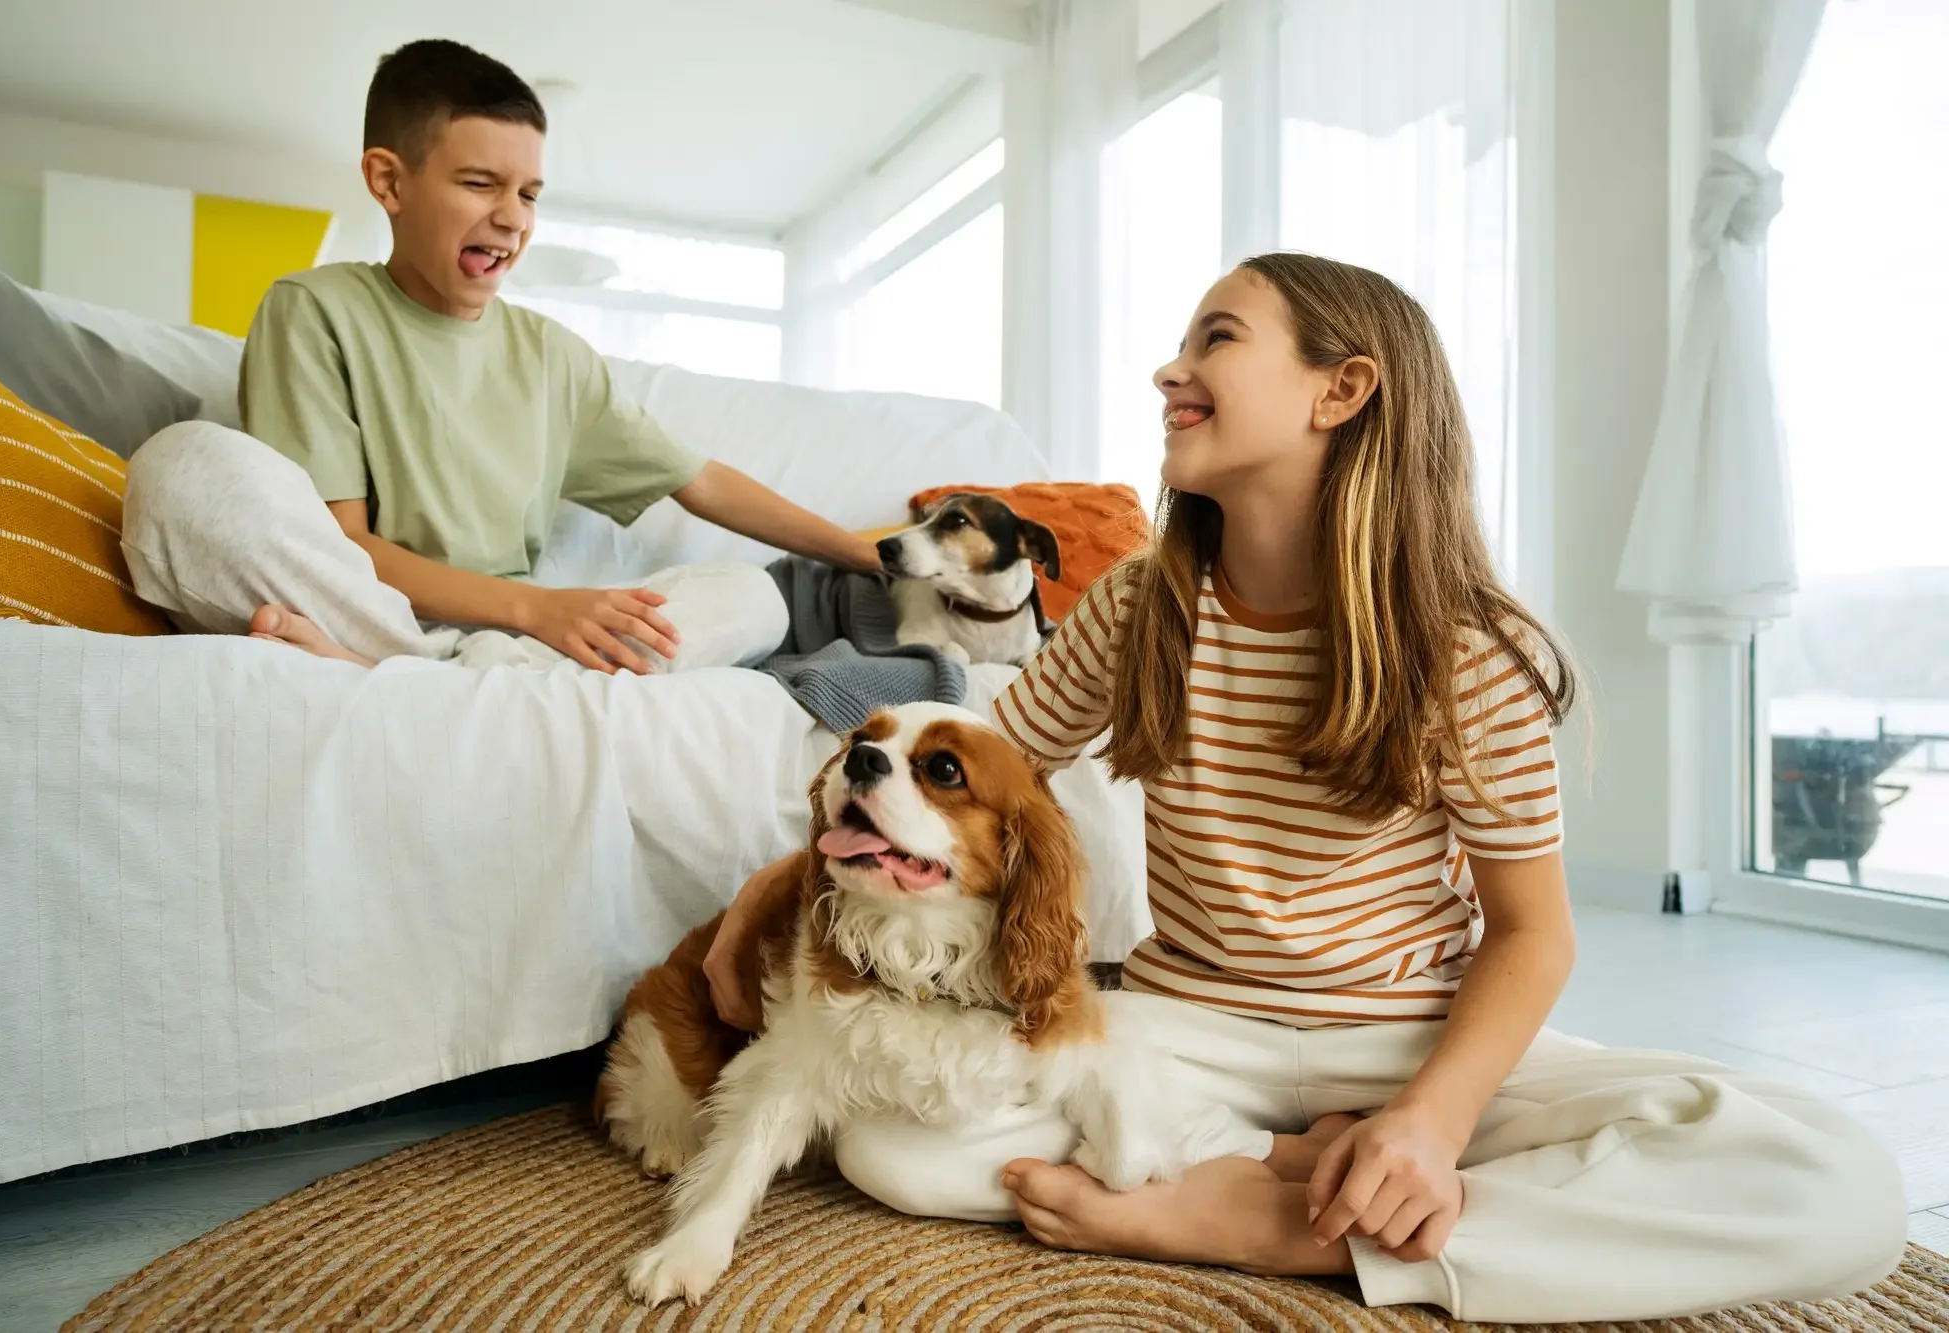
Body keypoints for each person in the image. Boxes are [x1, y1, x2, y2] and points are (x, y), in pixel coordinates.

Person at [696, 254, 1908, 1323]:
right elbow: (968, 781)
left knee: (1837, 1181)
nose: (1169, 370)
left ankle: (1282, 1220)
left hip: (1407, 1037)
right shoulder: (1137, 606)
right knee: (894, 1151)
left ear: (1342, 389)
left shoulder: (1471, 650)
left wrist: (1429, 1123)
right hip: (1180, 1028)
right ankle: (1302, 1173)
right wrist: (788, 882)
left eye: (1215, 338)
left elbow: (1532, 934)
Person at [121, 39, 877, 674]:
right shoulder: (315, 308)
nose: (513, 219)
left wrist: (868, 555)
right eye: (481, 184)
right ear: (389, 180)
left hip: (509, 649)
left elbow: (701, 481)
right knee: (180, 467)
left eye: (530, 194)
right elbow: (337, 547)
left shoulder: (553, 357)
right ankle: (427, 678)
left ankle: (409, 683)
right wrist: (537, 607)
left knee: (753, 597)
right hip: (378, 614)